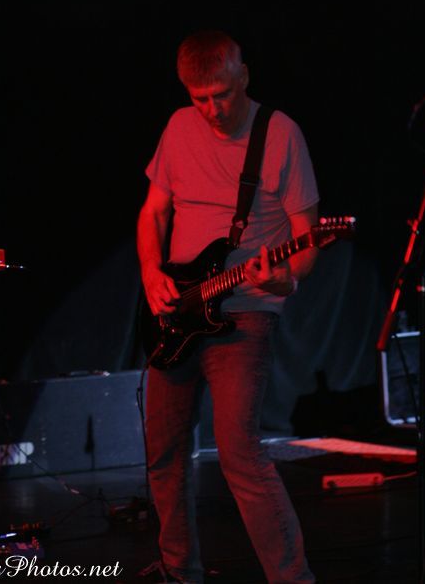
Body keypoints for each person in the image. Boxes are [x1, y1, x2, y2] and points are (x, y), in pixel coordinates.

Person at [137, 30, 320, 584]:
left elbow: (308, 239)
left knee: (240, 452)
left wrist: (285, 279)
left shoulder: (280, 134)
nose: (213, 109)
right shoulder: (178, 127)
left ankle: (292, 578)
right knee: (163, 450)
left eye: (221, 94)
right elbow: (154, 211)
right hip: (178, 312)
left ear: (244, 76)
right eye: (200, 98)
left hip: (246, 312)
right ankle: (178, 569)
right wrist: (151, 273)